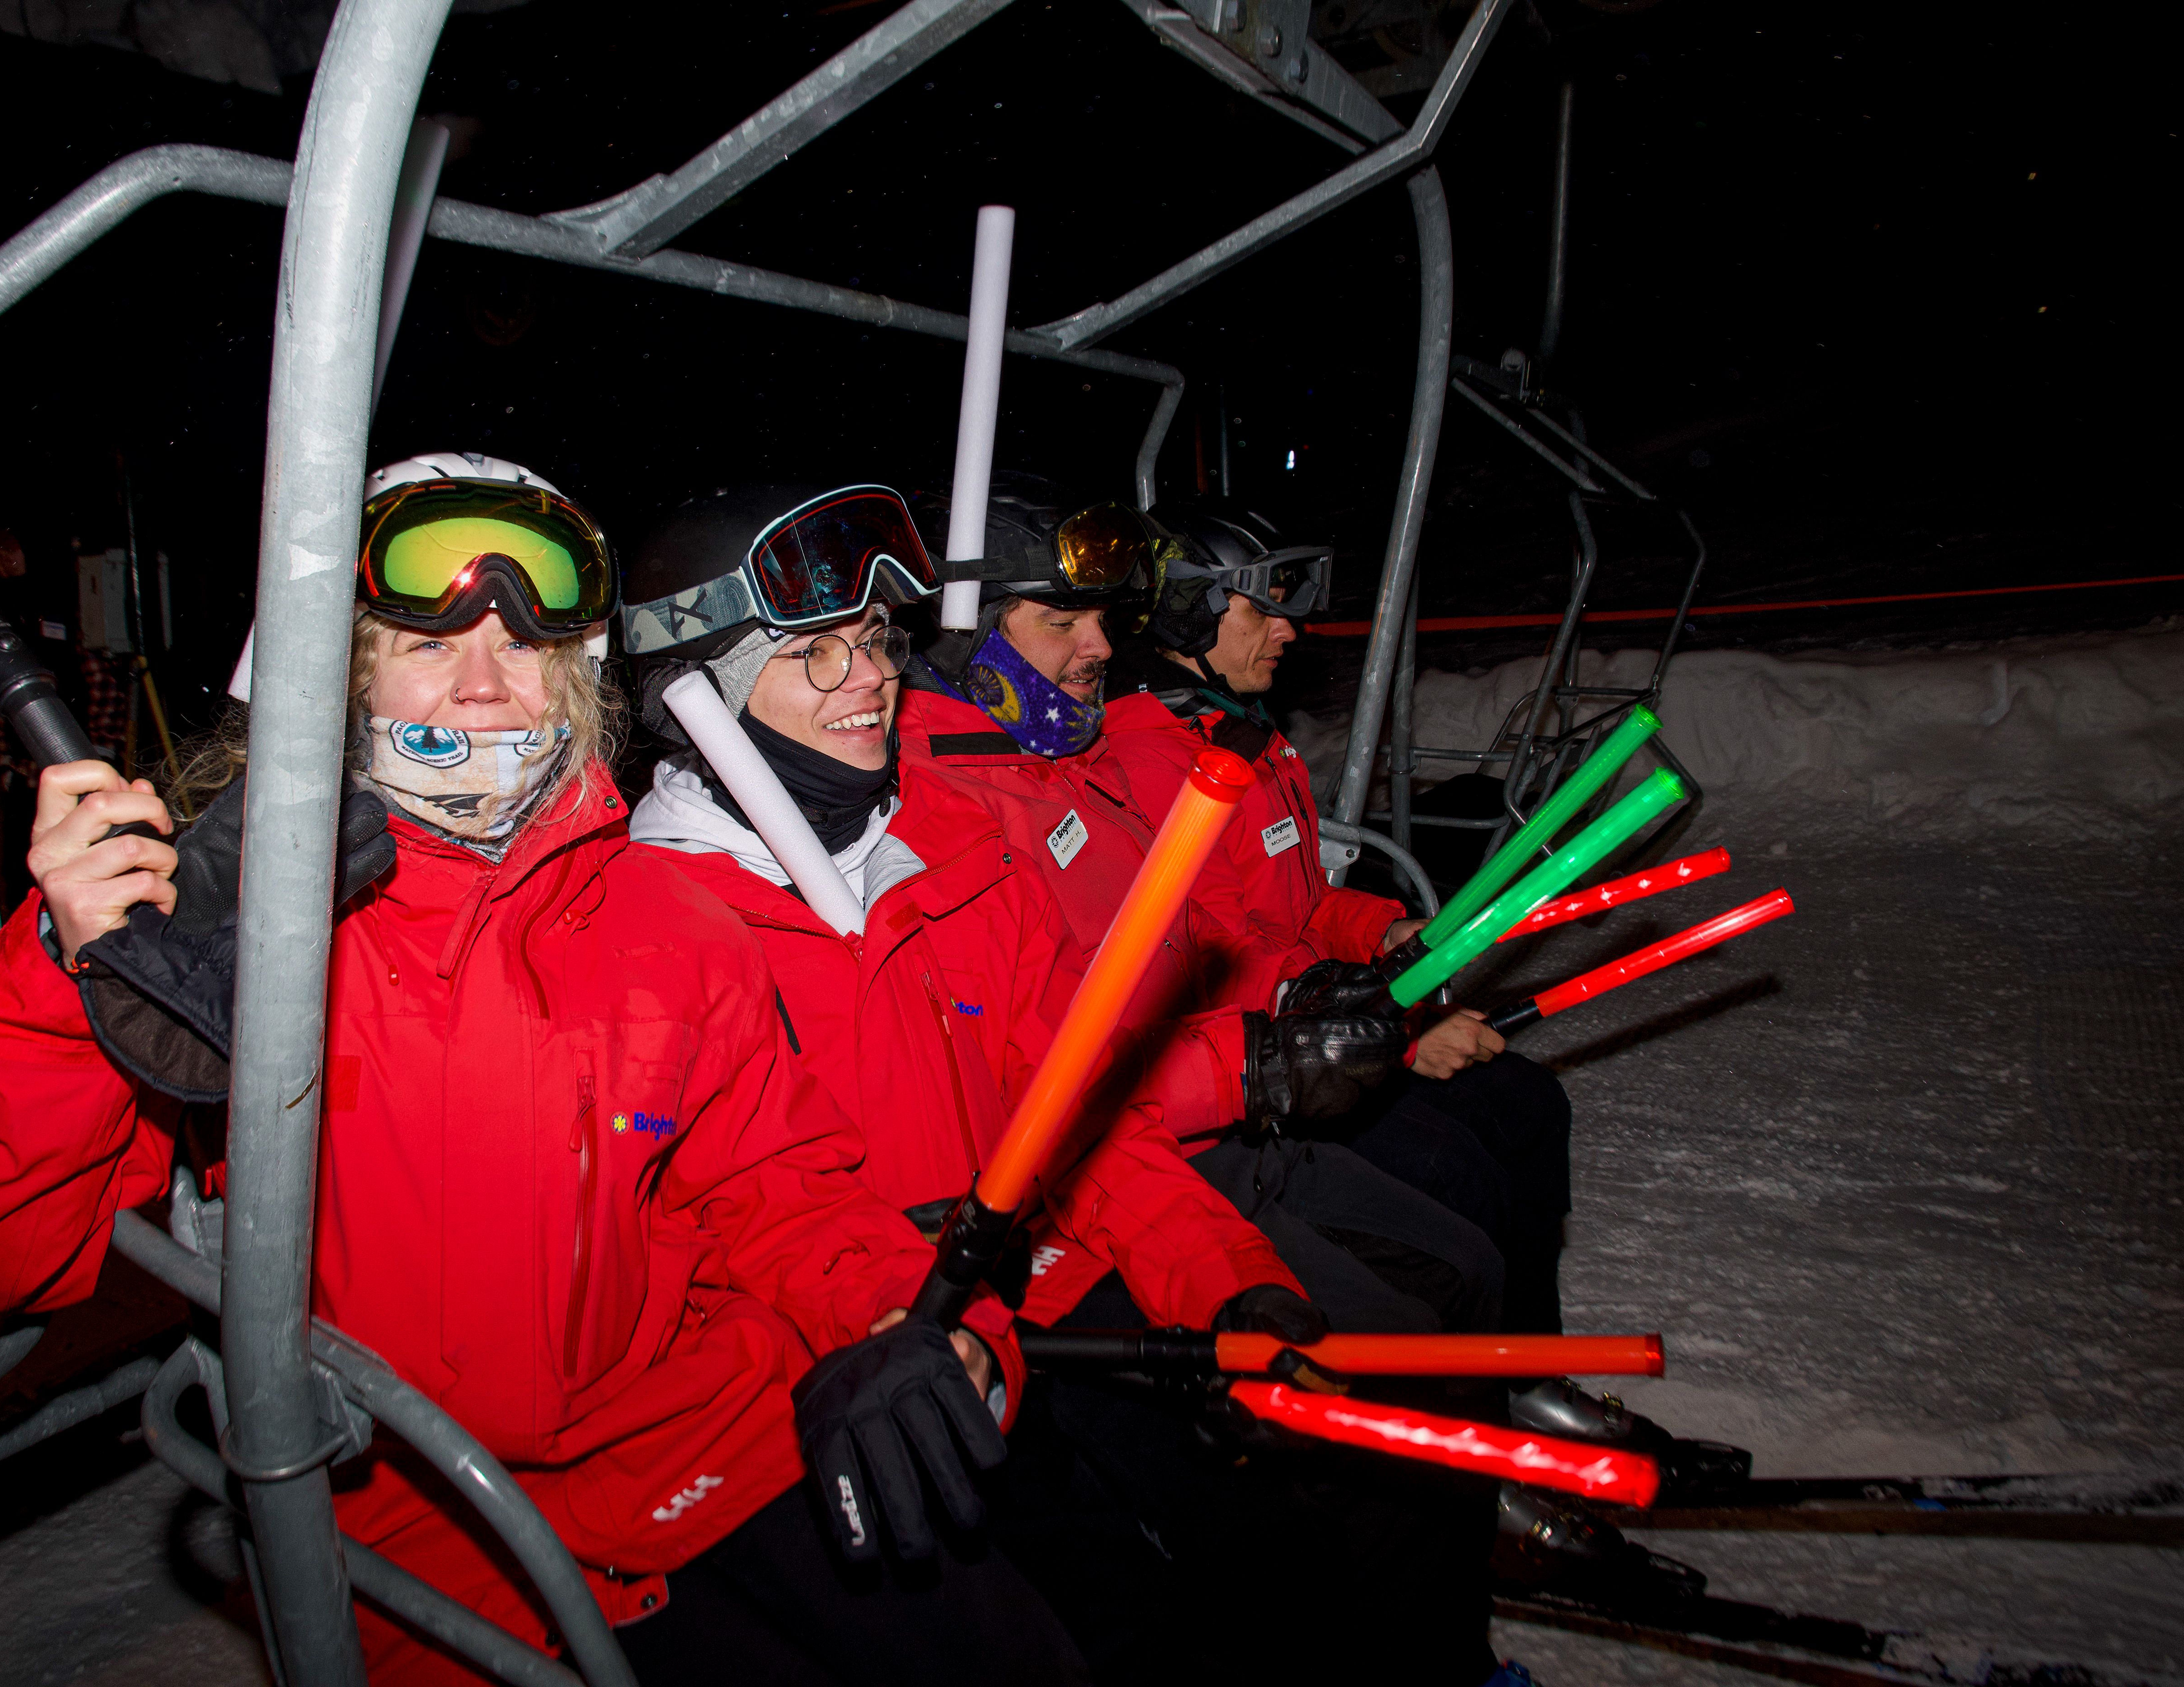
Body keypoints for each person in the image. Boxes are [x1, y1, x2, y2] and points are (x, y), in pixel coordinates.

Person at [0, 452, 1085, 1687]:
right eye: (427, 645)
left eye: (523, 648)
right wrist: (63, 974)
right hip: (432, 1525)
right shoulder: (238, 936)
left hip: (711, 1448)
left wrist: (906, 1321)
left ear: (573, 680)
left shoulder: (666, 921)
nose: (482, 684)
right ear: (337, 682)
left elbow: (777, 1186)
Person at [617, 481, 1513, 1687]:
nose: (869, 677)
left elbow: (1078, 1116)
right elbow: (722, 1230)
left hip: (1040, 1291)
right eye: (814, 654)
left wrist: (1229, 1285)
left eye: (875, 639)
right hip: (861, 1379)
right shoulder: (649, 927)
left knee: (1293, 1551)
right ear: (701, 694)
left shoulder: (946, 852)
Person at [900, 475, 1507, 1339]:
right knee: (1398, 1325)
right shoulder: (949, 809)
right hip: (1135, 1162)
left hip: (1213, 1119)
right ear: (964, 637)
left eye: (1101, 619)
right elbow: (1046, 1062)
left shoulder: (1071, 764)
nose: (1101, 646)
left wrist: (1327, 976)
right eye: (1063, 622)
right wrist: (1268, 1048)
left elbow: (1193, 945)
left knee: (1464, 1262)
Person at [1104, 498, 1575, 1337]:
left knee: (1529, 1106)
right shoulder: (1154, 757)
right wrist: (1388, 1027)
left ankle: (1531, 1365)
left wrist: (1384, 934)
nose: (1288, 631)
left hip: (1314, 1018)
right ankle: (1484, 1376)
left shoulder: (1245, 731)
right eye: (1263, 609)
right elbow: (1213, 956)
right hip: (1269, 1055)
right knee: (1460, 1175)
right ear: (1189, 609)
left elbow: (1299, 905)